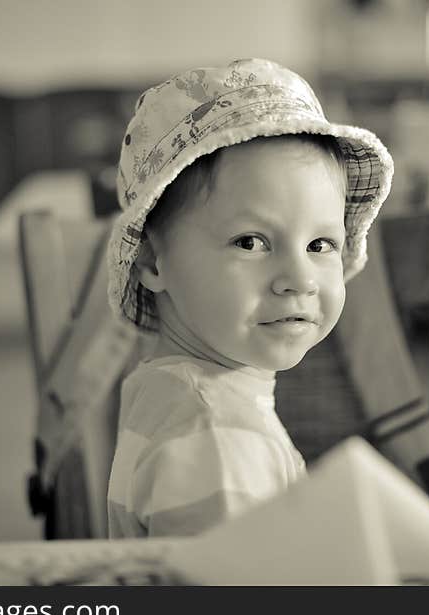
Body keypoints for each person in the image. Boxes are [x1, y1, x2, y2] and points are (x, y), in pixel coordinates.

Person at [105, 58, 394, 538]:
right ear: (154, 262)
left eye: (320, 245)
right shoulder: (218, 439)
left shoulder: (169, 391)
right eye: (251, 242)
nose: (298, 279)